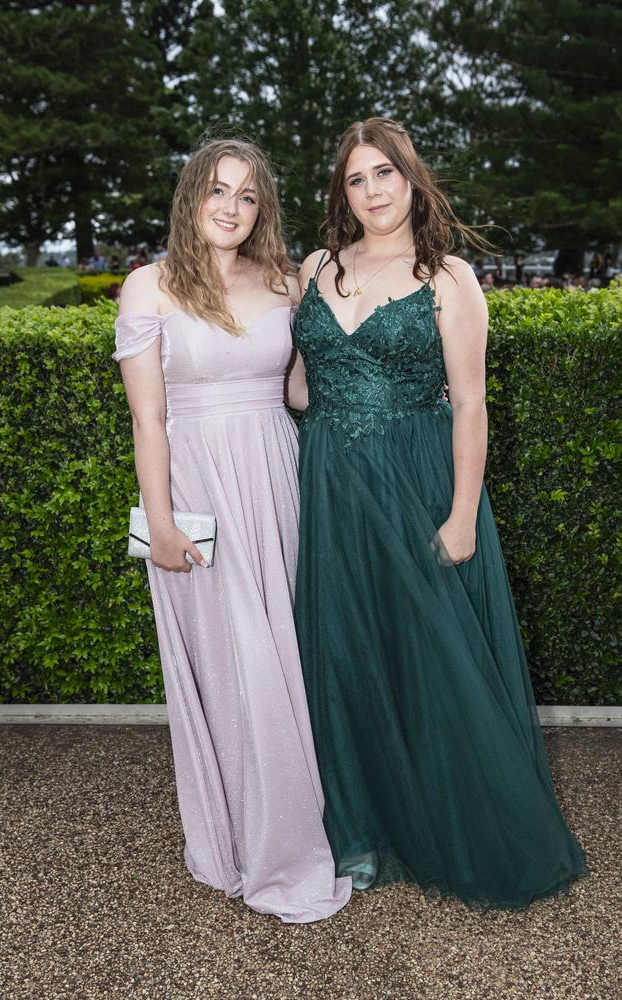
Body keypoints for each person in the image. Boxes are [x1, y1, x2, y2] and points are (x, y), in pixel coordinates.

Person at [290, 117, 587, 908]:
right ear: (341, 193)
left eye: (383, 173)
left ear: (411, 178)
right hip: (330, 487)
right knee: (349, 653)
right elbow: (293, 380)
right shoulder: (317, 263)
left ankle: (456, 829)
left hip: (415, 482)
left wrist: (462, 515)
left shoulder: (449, 276)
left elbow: (472, 404)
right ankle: (360, 826)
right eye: (356, 179)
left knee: (435, 659)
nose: (372, 190)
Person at [112, 138, 350, 923]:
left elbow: (301, 393)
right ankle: (255, 841)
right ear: (191, 197)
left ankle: (295, 825)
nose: (231, 207)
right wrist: (162, 521)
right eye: (218, 191)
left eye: (248, 196)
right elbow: (149, 418)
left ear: (263, 208)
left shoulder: (283, 279)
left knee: (288, 656)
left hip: (277, 480)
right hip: (197, 493)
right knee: (234, 665)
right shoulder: (149, 285)